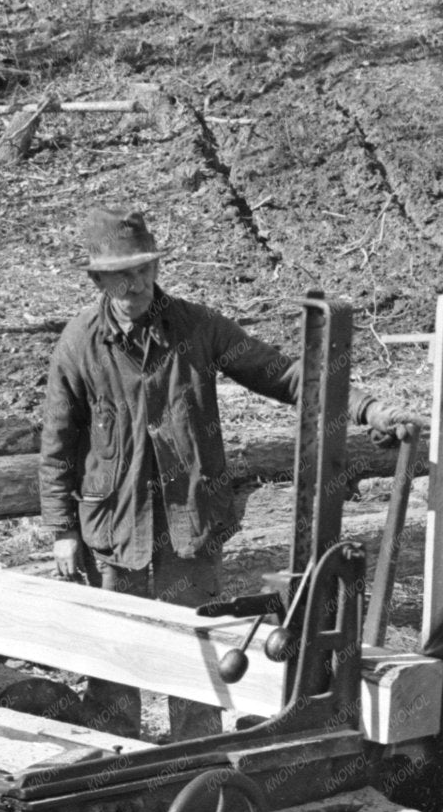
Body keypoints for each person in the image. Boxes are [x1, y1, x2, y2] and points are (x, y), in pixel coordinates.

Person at [38, 206, 407, 739]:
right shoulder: (79, 344)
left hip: (189, 530)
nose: (139, 282)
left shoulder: (197, 327)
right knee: (113, 663)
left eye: (147, 268)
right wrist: (62, 531)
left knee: (197, 664)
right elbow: (56, 446)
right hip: (113, 535)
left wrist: (368, 409)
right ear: (98, 278)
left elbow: (283, 373)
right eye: (124, 273)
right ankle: (113, 775)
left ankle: (201, 775)